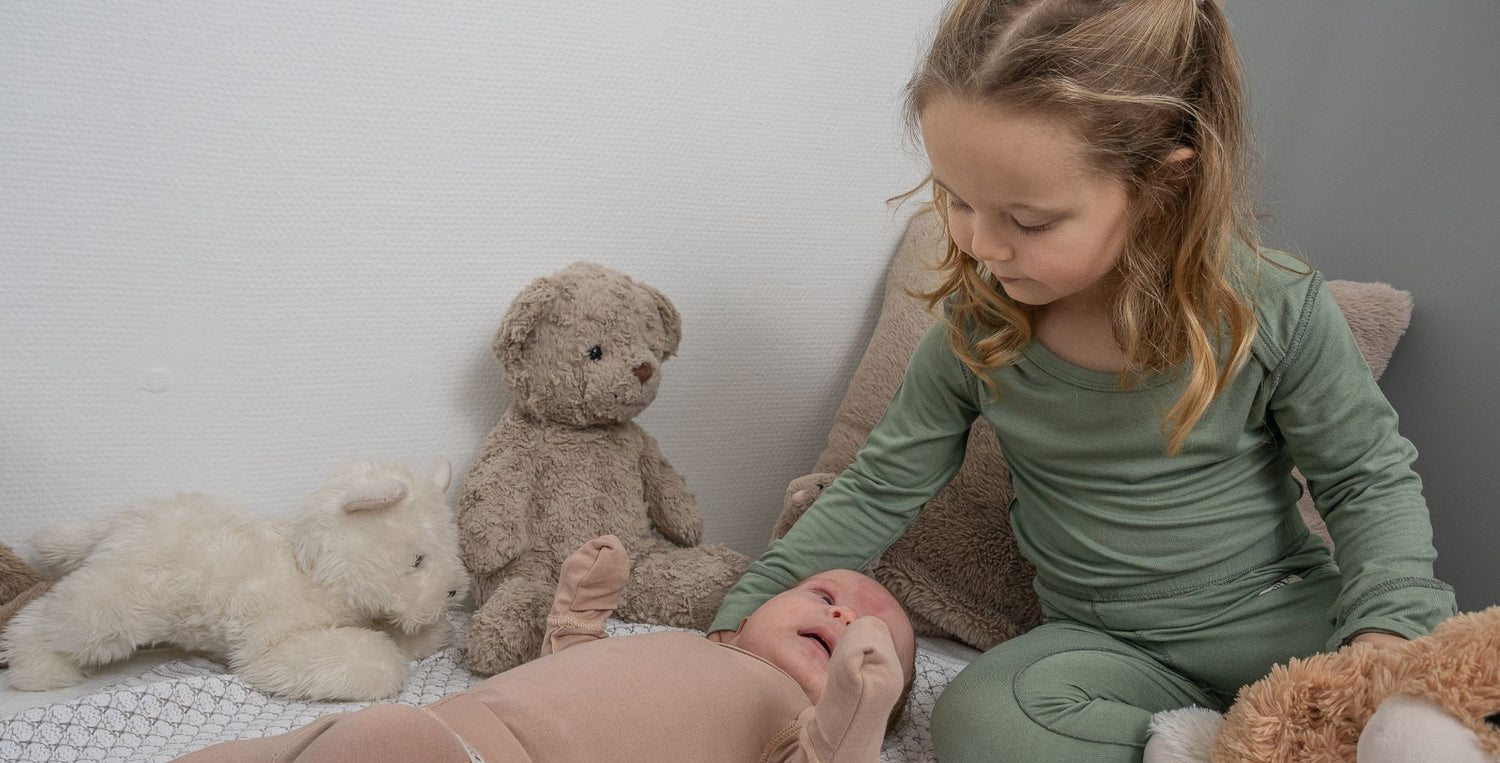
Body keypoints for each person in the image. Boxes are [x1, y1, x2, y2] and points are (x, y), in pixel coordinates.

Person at [707, 1, 1457, 761]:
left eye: (1028, 221)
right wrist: (736, 621)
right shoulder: (977, 333)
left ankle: (1272, 732)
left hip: (1279, 616)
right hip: (1108, 653)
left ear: (1162, 185)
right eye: (958, 199)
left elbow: (1368, 481)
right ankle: (1210, 744)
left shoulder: (1273, 308)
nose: (980, 243)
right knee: (979, 718)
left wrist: (1383, 633)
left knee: (1433, 698)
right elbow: (876, 487)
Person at [174, 535, 917, 763]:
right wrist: (584, 609)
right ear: (744, 618)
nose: (847, 612)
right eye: (825, 594)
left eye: (872, 631)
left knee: (384, 739)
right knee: (317, 741)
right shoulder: (686, 643)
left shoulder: (803, 727)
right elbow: (569, 674)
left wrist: (858, 706)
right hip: (453, 723)